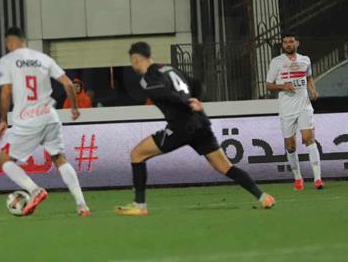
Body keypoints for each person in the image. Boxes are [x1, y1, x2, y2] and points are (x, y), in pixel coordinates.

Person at [117, 42, 275, 215]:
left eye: (133, 61)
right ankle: (263, 197)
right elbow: (198, 84)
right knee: (225, 166)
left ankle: (139, 205)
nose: (133, 65)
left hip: (181, 126)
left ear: (136, 59)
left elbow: (163, 92)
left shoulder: (148, 78)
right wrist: (196, 100)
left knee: (137, 154)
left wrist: (185, 104)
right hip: (200, 122)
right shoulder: (170, 69)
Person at [0, 27, 90, 216]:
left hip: (28, 120)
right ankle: (82, 205)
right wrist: (74, 108)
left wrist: (3, 119)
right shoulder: (43, 58)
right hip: (50, 116)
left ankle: (35, 190)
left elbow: (6, 91)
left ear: (10, 42)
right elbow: (68, 83)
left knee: (5, 160)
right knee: (59, 158)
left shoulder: (7, 60)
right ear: (24, 40)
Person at [264, 33, 323, 191]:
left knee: (309, 138)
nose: (288, 44)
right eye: (285, 42)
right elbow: (268, 85)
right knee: (290, 146)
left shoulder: (305, 60)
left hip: (304, 106)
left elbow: (308, 77)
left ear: (297, 43)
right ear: (283, 45)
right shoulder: (276, 62)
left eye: (291, 41)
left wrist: (313, 90)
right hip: (287, 109)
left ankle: (317, 178)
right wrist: (283, 86)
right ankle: (297, 177)